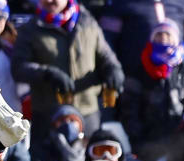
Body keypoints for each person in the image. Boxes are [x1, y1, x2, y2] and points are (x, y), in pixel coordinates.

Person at [11, 0, 124, 139]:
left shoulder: (88, 22)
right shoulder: (30, 29)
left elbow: (106, 56)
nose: (49, 1)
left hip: (87, 112)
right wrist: (47, 74)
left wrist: (113, 69)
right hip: (48, 114)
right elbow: (18, 68)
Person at [119, 21, 184, 161]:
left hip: (182, 139)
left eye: (168, 35)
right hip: (149, 141)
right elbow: (129, 109)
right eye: (159, 35)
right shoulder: (139, 71)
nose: (163, 39)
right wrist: (140, 140)